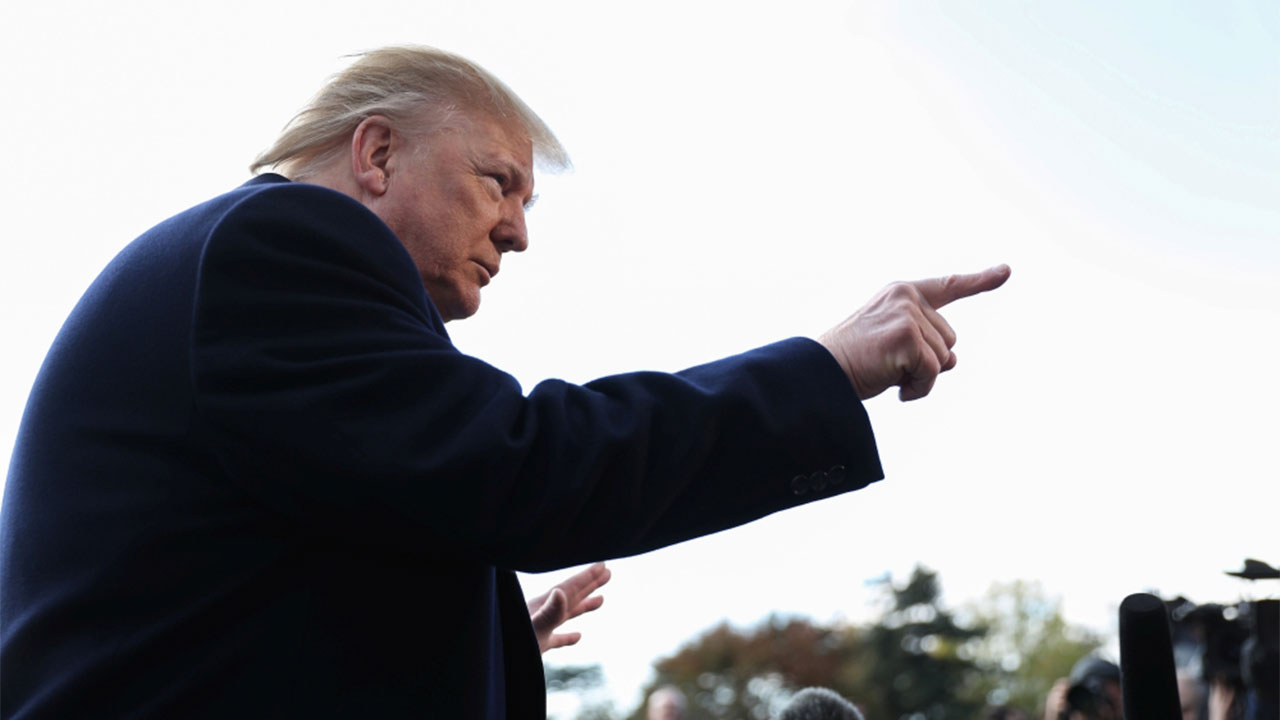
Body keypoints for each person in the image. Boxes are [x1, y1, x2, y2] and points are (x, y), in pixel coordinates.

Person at [0, 45, 1009, 718]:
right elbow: (516, 467)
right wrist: (825, 369)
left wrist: (476, 639)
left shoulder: (244, 279)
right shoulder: (286, 241)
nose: (519, 232)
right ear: (377, 152)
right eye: (498, 182)